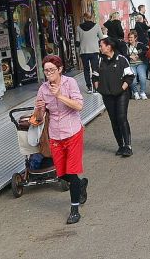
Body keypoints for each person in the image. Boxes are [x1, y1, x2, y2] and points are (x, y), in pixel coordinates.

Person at [34, 55, 87, 224]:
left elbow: (79, 106)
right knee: (61, 173)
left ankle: (74, 210)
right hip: (55, 133)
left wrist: (59, 96)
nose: (48, 73)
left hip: (72, 131)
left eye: (51, 70)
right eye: (46, 70)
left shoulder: (69, 83)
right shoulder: (42, 88)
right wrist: (40, 110)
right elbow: (38, 117)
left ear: (60, 69)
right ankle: (81, 184)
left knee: (71, 171)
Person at [93, 37, 135, 157]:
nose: (100, 48)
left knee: (121, 118)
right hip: (107, 95)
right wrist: (99, 88)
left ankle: (128, 146)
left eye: (101, 45)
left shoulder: (121, 59)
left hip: (121, 94)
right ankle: (120, 146)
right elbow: (95, 77)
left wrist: (122, 88)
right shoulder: (99, 61)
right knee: (114, 120)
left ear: (109, 47)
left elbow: (130, 76)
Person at [77, 12, 103, 94]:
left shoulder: (78, 27)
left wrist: (78, 51)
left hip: (84, 51)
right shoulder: (97, 26)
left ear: (84, 18)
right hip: (94, 50)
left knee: (86, 69)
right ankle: (95, 87)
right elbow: (101, 38)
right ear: (91, 17)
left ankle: (89, 87)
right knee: (95, 69)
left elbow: (77, 42)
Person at [126, 31, 150, 99]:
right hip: (131, 64)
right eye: (129, 37)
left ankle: (142, 92)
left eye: (131, 37)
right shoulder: (126, 46)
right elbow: (123, 54)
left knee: (142, 77)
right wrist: (130, 56)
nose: (130, 39)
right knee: (133, 78)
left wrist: (138, 55)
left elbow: (147, 50)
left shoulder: (140, 45)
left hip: (141, 63)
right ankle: (135, 92)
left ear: (135, 38)